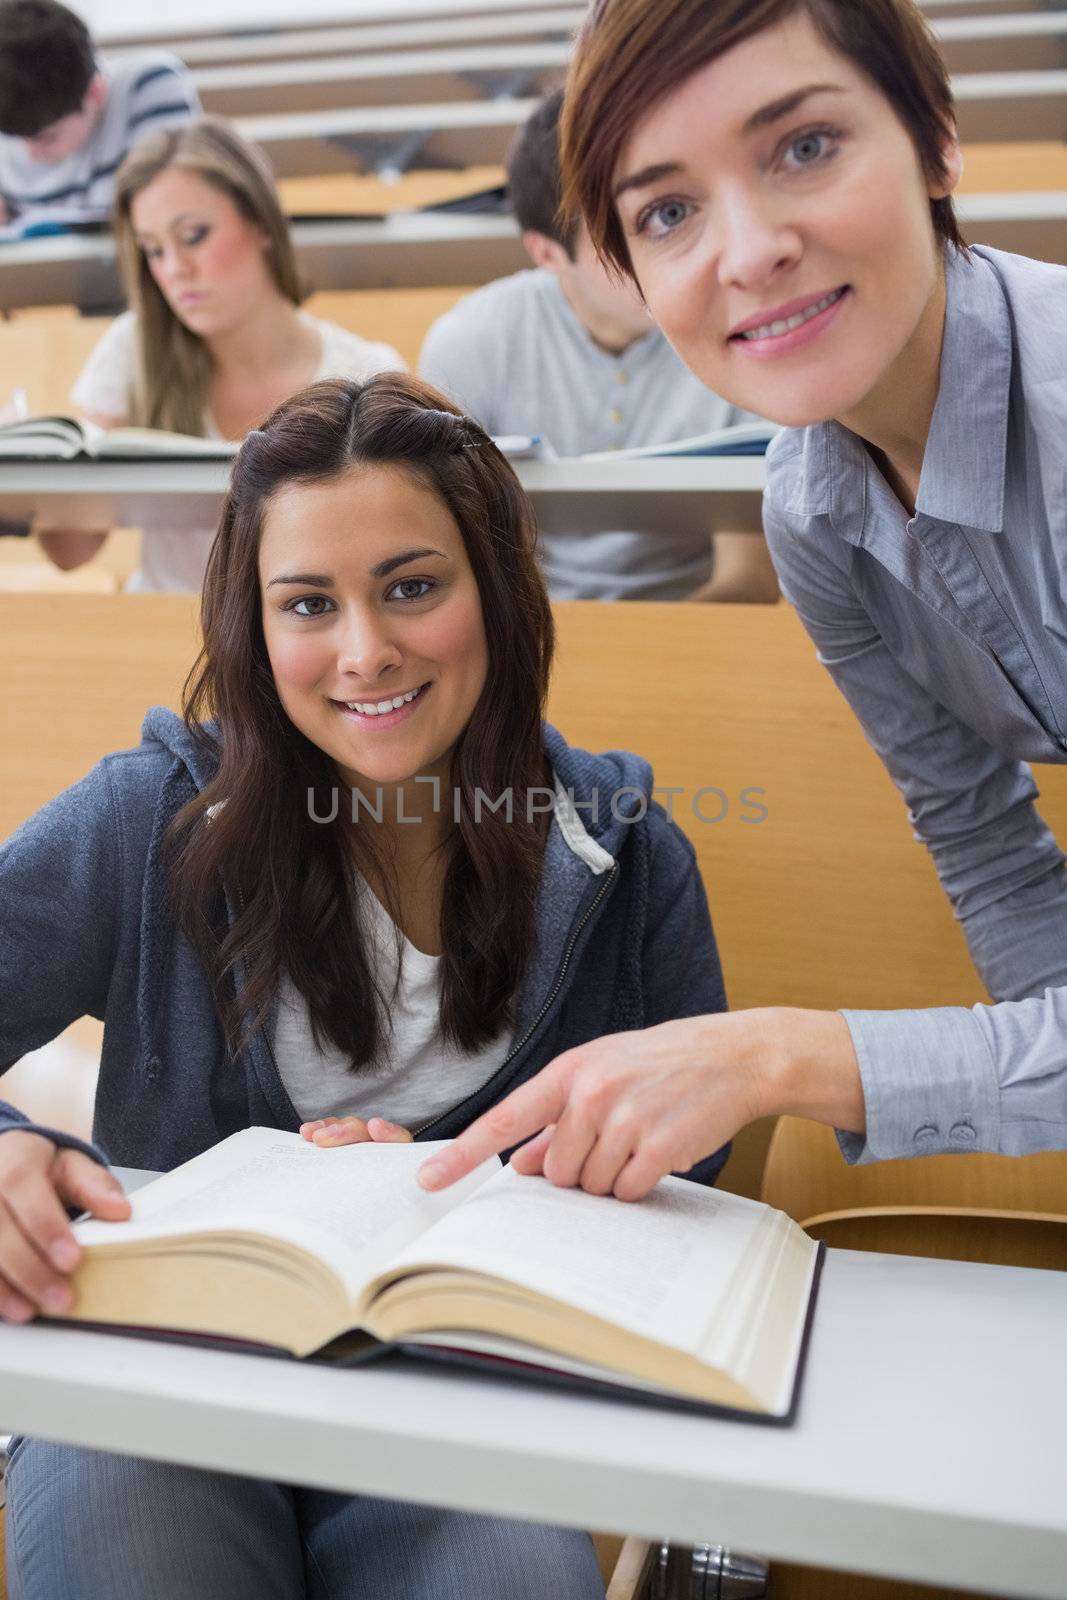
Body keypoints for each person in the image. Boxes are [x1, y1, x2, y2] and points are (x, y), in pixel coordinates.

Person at [0, 372, 729, 1597]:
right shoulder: (148, 818)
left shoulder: (629, 851)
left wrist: (475, 1191)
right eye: (306, 603)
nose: (363, 651)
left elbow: (687, 1170)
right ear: (253, 624)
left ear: (493, 588)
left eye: (410, 585)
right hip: (156, 1368)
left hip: (458, 1390)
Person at [418, 0, 1067, 1205]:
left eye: (804, 146)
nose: (747, 248)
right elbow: (989, 852)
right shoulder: (808, 501)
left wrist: (789, 1056)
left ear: (933, 137)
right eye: (666, 212)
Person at [419, 90, 779, 603]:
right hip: (535, 626)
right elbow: (469, 565)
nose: (668, 255)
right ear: (547, 252)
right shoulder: (472, 341)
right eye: (620, 236)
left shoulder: (743, 325)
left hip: (701, 630)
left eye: (668, 215)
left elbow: (749, 578)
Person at [37, 118, 404, 590]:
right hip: (167, 626)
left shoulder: (366, 374)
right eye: (154, 251)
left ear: (260, 223)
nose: (176, 270)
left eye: (193, 236)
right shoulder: (134, 347)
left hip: (304, 640)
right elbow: (69, 551)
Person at [0, 0, 199, 229]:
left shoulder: (146, 86)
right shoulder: (10, 113)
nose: (31, 155)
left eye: (47, 137)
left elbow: (170, 210)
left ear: (95, 93)